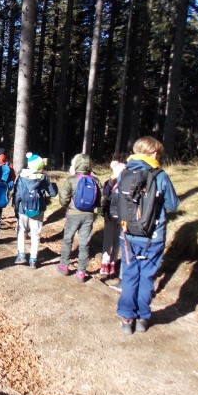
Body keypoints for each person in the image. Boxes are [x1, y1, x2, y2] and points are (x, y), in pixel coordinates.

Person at [115, 136, 180, 334]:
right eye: (158, 153)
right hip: (153, 236)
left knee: (129, 275)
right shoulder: (160, 175)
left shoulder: (124, 173)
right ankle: (142, 318)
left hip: (127, 234)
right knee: (147, 277)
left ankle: (127, 319)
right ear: (153, 153)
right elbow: (173, 205)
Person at [58, 153, 104, 283]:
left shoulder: (72, 179)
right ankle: (81, 272)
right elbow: (102, 200)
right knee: (85, 242)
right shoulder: (95, 180)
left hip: (73, 214)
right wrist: (96, 210)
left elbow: (63, 198)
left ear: (77, 164)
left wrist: (68, 206)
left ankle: (64, 265)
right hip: (89, 215)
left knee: (68, 239)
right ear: (90, 165)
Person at [13, 153, 58, 269]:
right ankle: (33, 260)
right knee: (35, 234)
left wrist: (16, 211)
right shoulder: (44, 178)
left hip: (23, 209)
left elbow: (17, 196)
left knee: (21, 231)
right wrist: (53, 184)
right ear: (39, 167)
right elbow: (53, 193)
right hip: (38, 210)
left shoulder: (22, 176)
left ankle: (21, 255)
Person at [100, 161, 126, 281]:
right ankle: (113, 264)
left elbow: (104, 197)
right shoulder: (127, 184)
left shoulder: (109, 184)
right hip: (123, 217)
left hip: (109, 216)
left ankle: (105, 266)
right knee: (117, 241)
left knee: (108, 241)